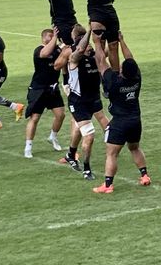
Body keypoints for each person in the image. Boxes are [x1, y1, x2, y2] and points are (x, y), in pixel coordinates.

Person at [91, 32, 150, 193]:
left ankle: (108, 185)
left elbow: (101, 62)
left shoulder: (114, 82)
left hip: (119, 122)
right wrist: (122, 41)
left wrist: (97, 43)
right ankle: (144, 175)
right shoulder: (136, 79)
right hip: (135, 120)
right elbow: (131, 60)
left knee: (111, 154)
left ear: (122, 71)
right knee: (135, 148)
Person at [54, 24, 108, 181]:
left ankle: (70, 154)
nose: (89, 47)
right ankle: (86, 168)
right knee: (89, 136)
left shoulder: (93, 58)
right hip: (79, 102)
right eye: (87, 45)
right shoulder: (74, 60)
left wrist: (106, 33)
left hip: (93, 99)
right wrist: (90, 31)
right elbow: (77, 52)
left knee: (79, 128)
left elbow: (105, 50)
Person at [24, 28, 66, 158]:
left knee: (61, 115)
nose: (53, 37)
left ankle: (53, 137)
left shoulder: (58, 50)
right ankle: (28, 146)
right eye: (50, 35)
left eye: (54, 35)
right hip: (38, 89)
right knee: (35, 118)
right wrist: (56, 38)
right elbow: (44, 53)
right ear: (43, 38)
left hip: (52, 88)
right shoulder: (39, 50)